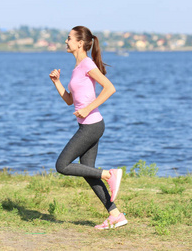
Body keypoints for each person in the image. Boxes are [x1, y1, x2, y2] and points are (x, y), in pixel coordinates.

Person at [49, 25, 127, 230]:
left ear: (80, 43)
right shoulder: (78, 68)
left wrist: (88, 109)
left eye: (69, 38)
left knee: (62, 165)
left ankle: (109, 174)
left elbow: (109, 88)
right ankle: (115, 215)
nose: (66, 41)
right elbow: (69, 100)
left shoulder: (87, 64)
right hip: (90, 125)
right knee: (88, 172)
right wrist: (57, 82)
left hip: (91, 126)